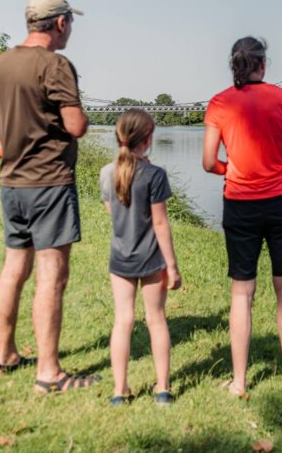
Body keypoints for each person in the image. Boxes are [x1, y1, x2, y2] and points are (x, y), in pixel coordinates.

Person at [0, 0, 100, 393]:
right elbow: (75, 127)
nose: (71, 28)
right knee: (51, 276)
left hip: (12, 185)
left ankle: (5, 357)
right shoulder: (55, 65)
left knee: (13, 269)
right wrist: (81, 114)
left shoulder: (1, 62)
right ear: (59, 22)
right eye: (71, 21)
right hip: (50, 182)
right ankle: (50, 373)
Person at [202, 36, 282, 396]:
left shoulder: (219, 103)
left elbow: (208, 162)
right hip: (281, 202)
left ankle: (238, 382)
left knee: (241, 292)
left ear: (233, 65)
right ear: (262, 65)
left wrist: (230, 168)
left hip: (239, 203)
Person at [100, 109, 182, 406]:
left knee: (123, 321)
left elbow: (112, 212)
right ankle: (162, 388)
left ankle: (120, 391)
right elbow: (160, 223)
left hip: (120, 258)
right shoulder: (155, 174)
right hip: (151, 259)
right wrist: (171, 266)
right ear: (147, 140)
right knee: (156, 320)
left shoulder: (106, 173)